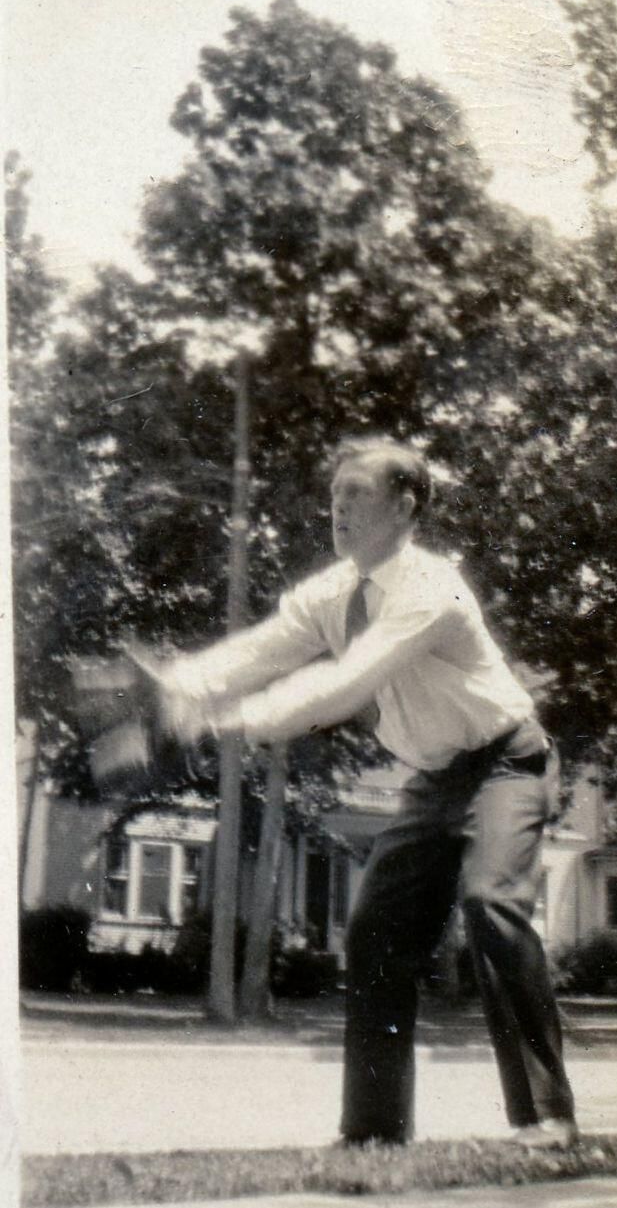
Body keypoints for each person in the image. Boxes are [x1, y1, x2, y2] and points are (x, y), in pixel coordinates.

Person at [161, 436, 577, 1148]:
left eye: (355, 492)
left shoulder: (433, 589)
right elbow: (262, 650)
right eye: (334, 494)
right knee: (376, 929)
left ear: (405, 506)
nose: (338, 506)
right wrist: (182, 687)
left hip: (507, 761)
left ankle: (547, 1116)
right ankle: (374, 1133)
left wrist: (229, 721)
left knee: (490, 903)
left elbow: (348, 682)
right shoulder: (330, 593)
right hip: (437, 778)